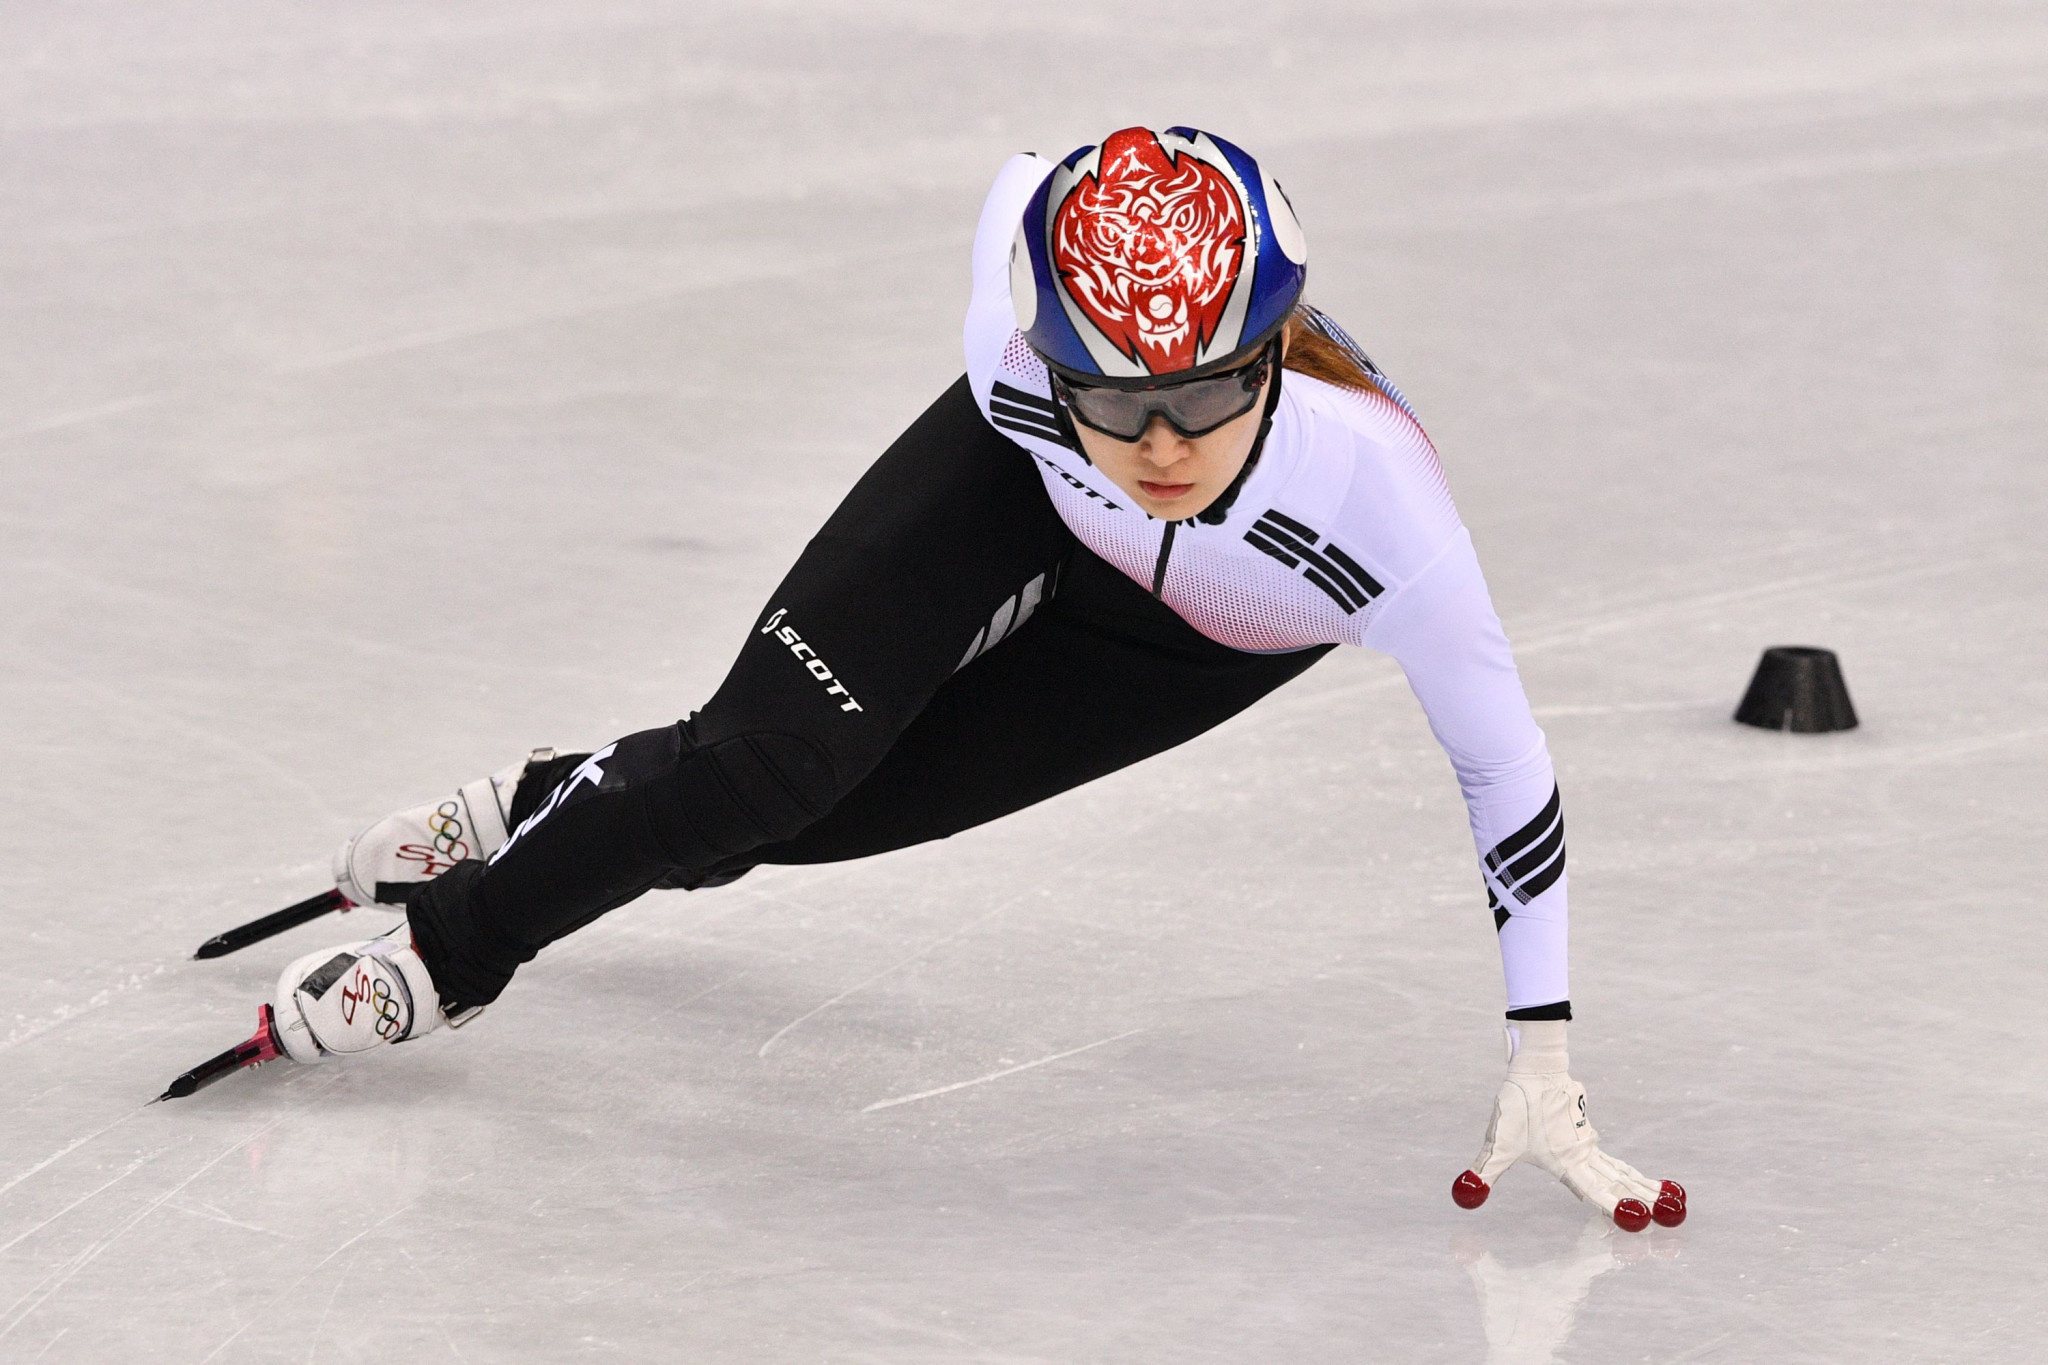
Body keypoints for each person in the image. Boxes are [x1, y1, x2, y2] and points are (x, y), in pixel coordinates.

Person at [252, 126, 1683, 1232]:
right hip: (1016, 490)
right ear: (1050, 356)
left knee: (800, 822)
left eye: (1211, 392)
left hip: (1196, 641)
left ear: (1271, 356)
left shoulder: (1387, 521)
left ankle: (547, 796)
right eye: (1118, 396)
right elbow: (1025, 187)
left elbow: (1508, 771)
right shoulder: (1015, 376)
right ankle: (451, 951)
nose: (1165, 442)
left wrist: (1540, 1052)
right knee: (766, 757)